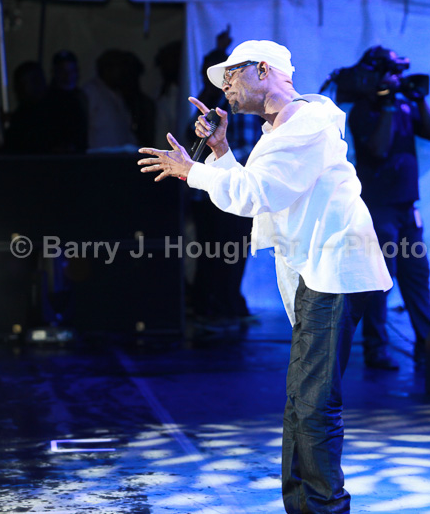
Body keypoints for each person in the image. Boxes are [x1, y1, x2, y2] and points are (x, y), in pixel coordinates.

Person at [138, 40, 392, 514]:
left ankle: (325, 508)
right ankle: (304, 506)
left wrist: (192, 171)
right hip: (315, 271)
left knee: (315, 405)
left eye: (231, 75)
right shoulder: (280, 129)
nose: (225, 87)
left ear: (262, 69)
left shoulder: (307, 124)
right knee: (301, 401)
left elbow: (256, 194)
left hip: (334, 270)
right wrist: (219, 151)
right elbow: (252, 191)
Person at [347, 46, 430, 369]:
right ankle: (376, 348)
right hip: (379, 209)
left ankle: (427, 344)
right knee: (381, 279)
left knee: (417, 275)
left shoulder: (405, 105)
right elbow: (378, 149)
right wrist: (387, 106)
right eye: (389, 73)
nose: (395, 79)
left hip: (407, 208)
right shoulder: (362, 111)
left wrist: (419, 100)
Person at [185, 27, 260, 325]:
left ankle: (225, 303)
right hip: (214, 189)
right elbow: (196, 141)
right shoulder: (216, 101)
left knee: (229, 250)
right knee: (216, 250)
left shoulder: (235, 101)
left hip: (229, 186)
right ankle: (212, 304)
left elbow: (247, 148)